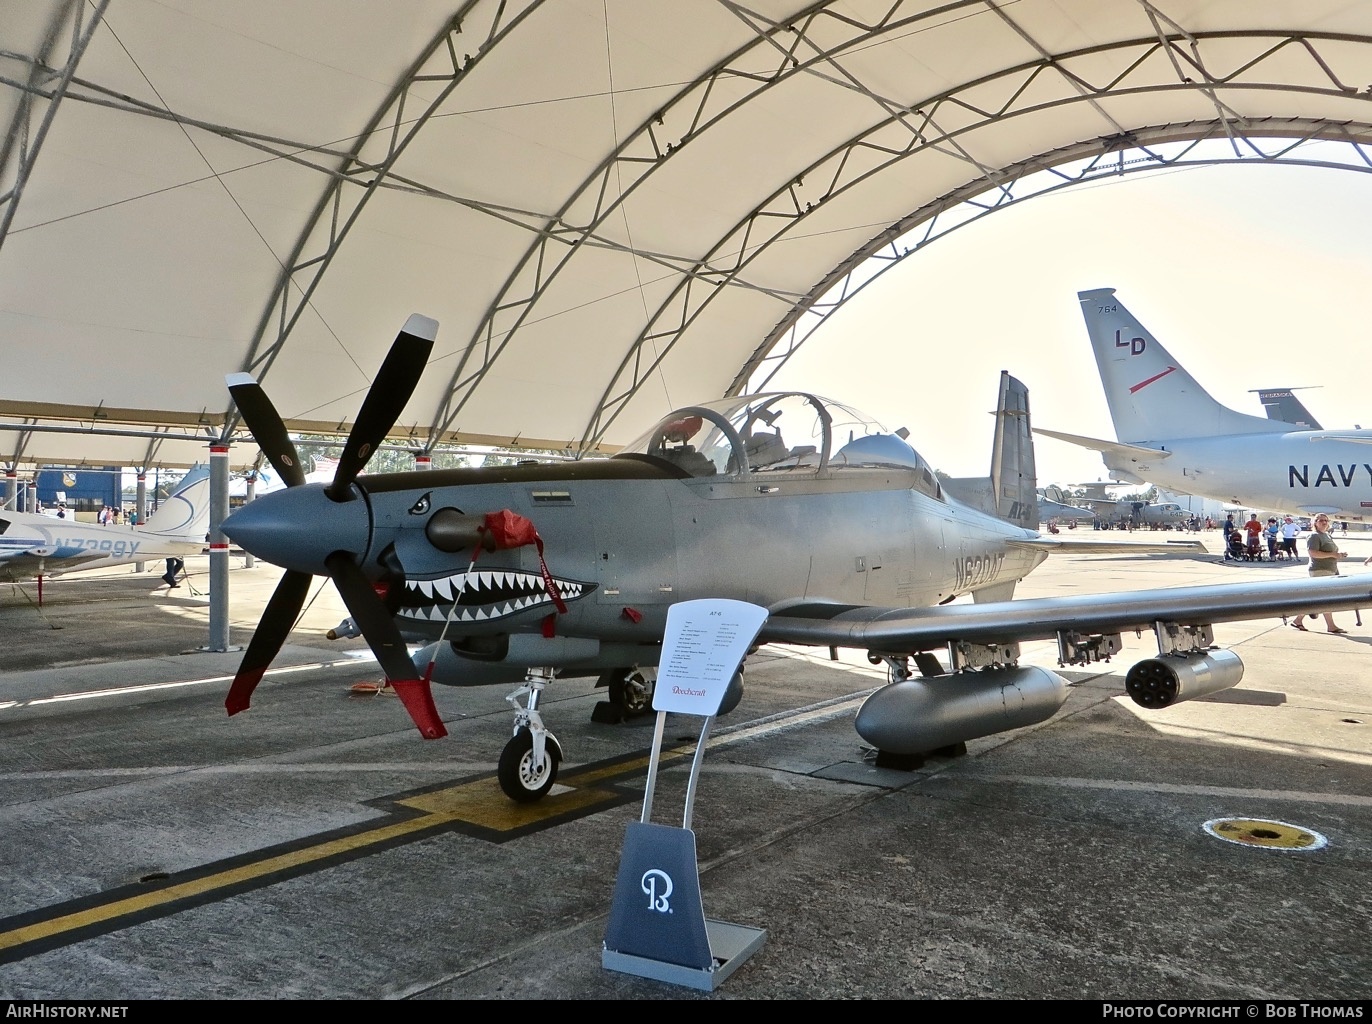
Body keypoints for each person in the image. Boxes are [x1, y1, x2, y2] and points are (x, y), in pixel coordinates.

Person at [1291, 514, 1348, 633]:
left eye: (1326, 521)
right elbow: (1313, 553)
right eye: (1321, 520)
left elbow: (1331, 552)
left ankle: (1298, 620)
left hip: (1329, 569)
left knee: (1318, 598)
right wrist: (1333, 555)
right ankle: (1330, 626)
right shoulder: (1314, 536)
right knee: (1323, 598)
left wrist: (1338, 555)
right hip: (1319, 570)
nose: (1324, 522)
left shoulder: (1326, 535)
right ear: (1315, 522)